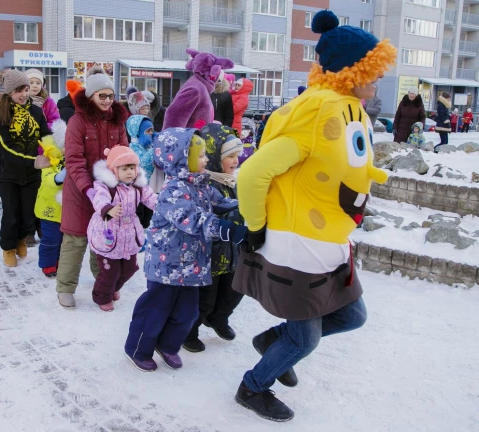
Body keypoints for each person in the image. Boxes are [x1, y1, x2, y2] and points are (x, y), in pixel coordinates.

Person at [232, 10, 395, 422]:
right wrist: (255, 226)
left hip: (330, 238)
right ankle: (253, 386)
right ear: (352, 71)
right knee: (306, 339)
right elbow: (253, 171)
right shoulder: (318, 110)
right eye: (373, 73)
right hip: (299, 242)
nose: (377, 83)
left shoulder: (347, 108)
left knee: (351, 314)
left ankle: (275, 341)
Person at [124, 128, 246, 372]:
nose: (206, 160)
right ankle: (138, 348)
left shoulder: (201, 185)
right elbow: (194, 219)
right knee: (155, 311)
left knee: (188, 313)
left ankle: (168, 345)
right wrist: (226, 229)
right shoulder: (173, 191)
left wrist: (243, 207)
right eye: (200, 156)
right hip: (166, 265)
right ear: (181, 158)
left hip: (192, 265)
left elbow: (222, 203)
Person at [55, 66, 129, 308]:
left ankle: (103, 283)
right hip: (79, 190)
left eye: (110, 96)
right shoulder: (77, 121)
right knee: (75, 239)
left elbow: (123, 153)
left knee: (105, 238)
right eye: (102, 96)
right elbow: (74, 159)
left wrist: (124, 180)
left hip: (107, 189)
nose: (107, 101)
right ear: (91, 96)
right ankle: (65, 286)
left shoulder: (118, 121)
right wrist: (87, 188)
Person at [182, 123, 245, 353]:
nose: (236, 160)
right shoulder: (206, 184)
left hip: (231, 252)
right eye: (230, 156)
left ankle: (219, 318)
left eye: (238, 155)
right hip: (208, 255)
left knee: (235, 290)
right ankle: (190, 331)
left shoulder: (231, 181)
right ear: (215, 156)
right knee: (205, 301)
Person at [0, 69, 58, 267]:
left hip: (31, 173)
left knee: (29, 213)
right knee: (11, 214)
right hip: (7, 173)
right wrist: (34, 160)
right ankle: (8, 247)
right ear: (10, 92)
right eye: (19, 90)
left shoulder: (36, 111)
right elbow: (6, 146)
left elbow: (45, 135)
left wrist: (53, 151)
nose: (24, 94)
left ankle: (21, 239)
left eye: (26, 89)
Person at [87, 146, 157, 311]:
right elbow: (99, 199)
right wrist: (108, 209)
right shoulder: (106, 186)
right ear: (113, 170)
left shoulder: (138, 186)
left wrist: (165, 206)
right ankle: (102, 296)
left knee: (130, 268)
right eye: (124, 168)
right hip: (109, 234)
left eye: (132, 168)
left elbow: (151, 198)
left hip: (129, 234)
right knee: (109, 271)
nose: (129, 172)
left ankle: (113, 288)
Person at [163, 48, 234, 129]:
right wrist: (172, 139)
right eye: (219, 80)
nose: (218, 82)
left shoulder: (202, 87)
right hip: (189, 139)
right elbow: (175, 115)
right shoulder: (196, 89)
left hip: (196, 138)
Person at [34, 120, 68, 278]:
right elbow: (48, 180)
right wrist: (60, 177)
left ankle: (60, 259)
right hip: (50, 209)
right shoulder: (48, 160)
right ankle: (48, 263)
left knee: (63, 239)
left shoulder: (73, 159)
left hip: (67, 210)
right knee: (50, 238)